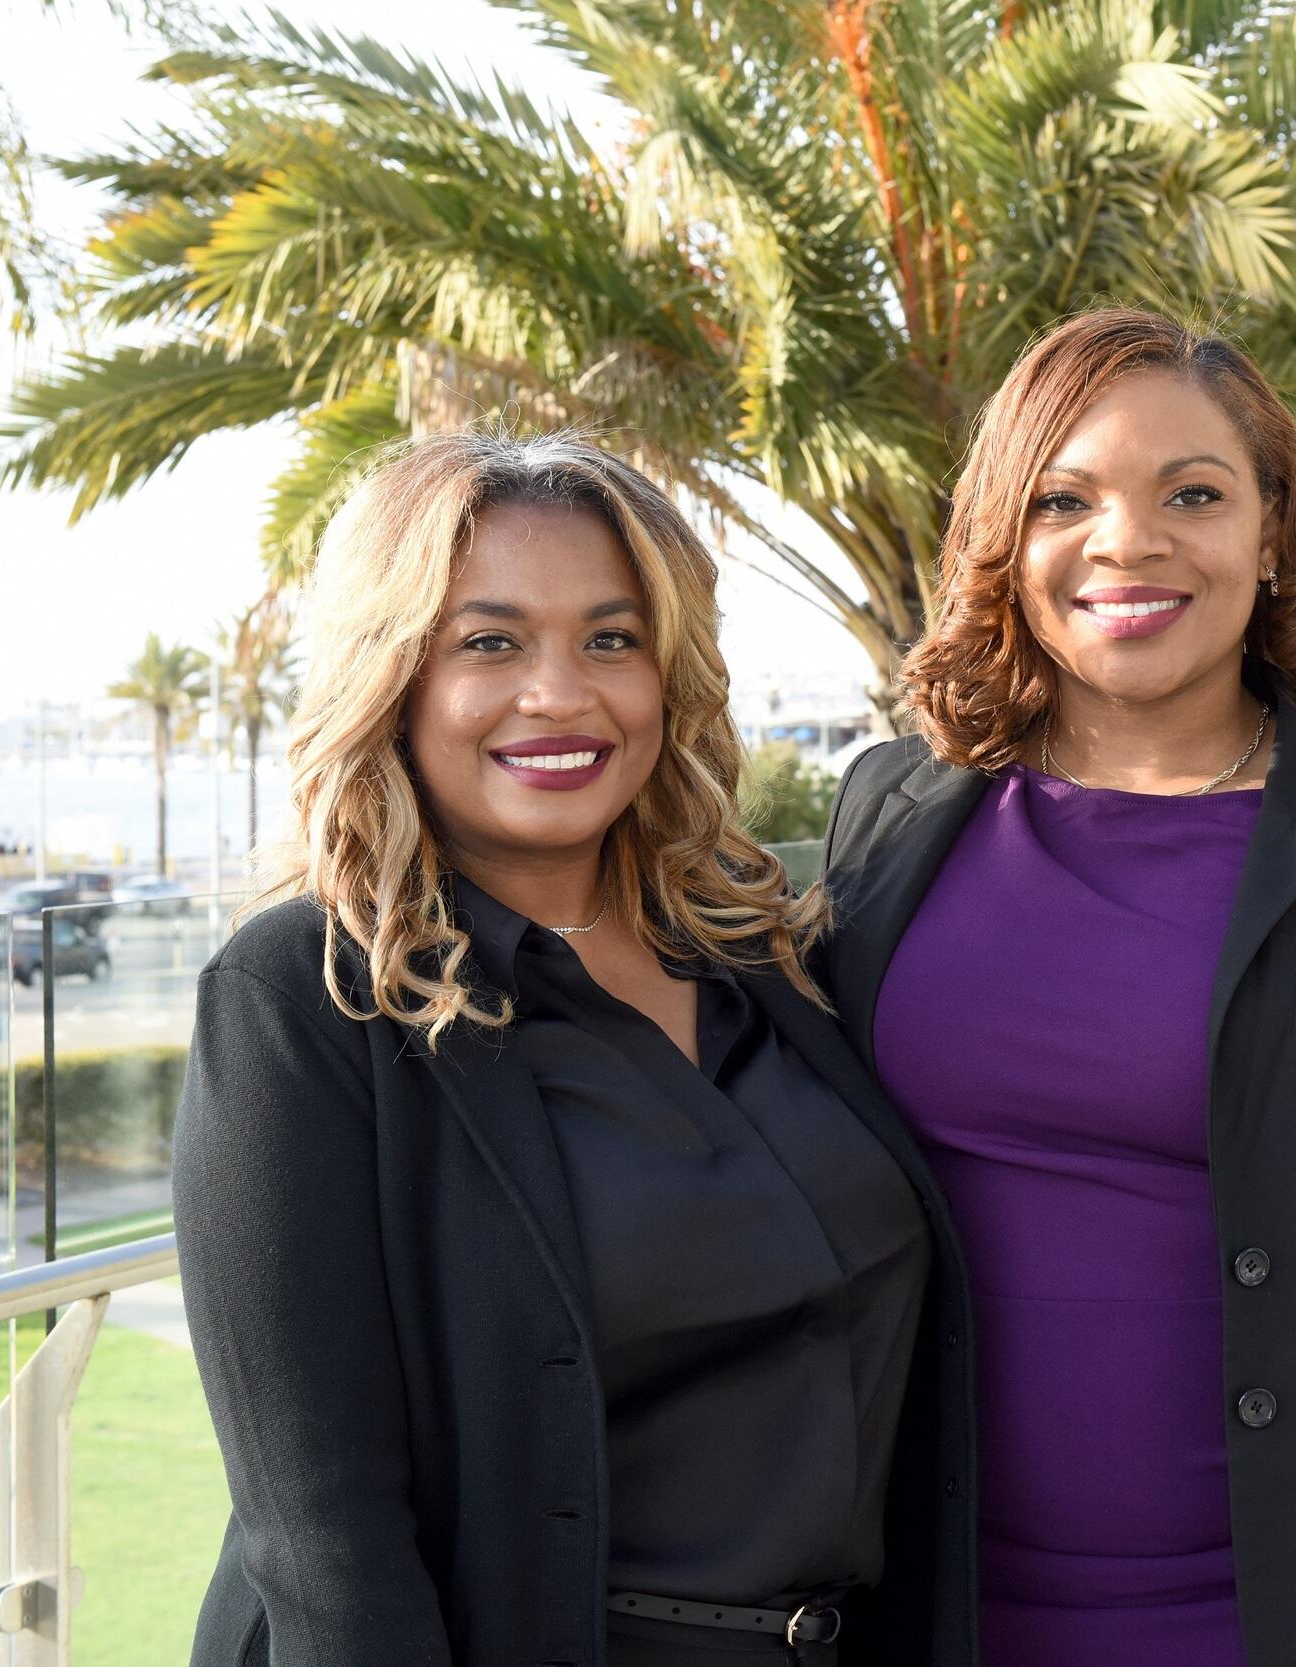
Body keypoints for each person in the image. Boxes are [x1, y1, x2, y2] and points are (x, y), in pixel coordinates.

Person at [818, 309, 1296, 1666]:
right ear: (1007, 536)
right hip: (935, 1604)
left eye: (1194, 492)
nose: (1128, 542)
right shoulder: (887, 812)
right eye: (1066, 498)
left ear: (1272, 531)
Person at [172, 432, 976, 1667]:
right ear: (392, 675)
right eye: (488, 642)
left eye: (613, 638)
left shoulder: (760, 955)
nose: (560, 693)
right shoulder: (307, 995)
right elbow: (323, 1538)